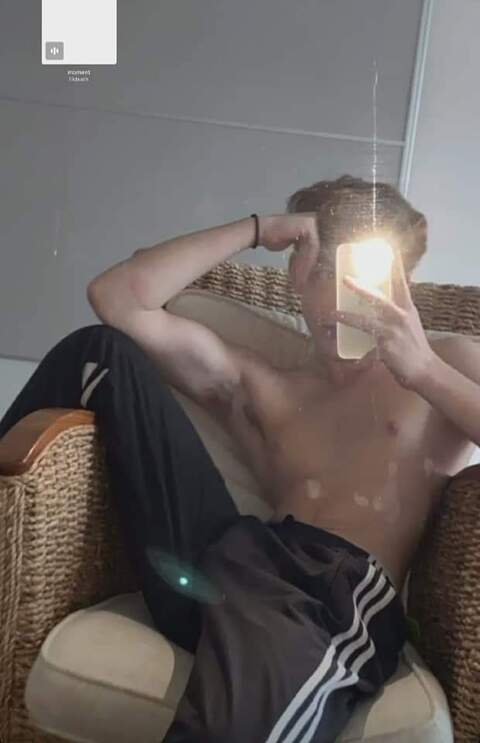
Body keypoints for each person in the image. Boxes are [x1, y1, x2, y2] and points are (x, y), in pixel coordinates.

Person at [2, 175, 480, 743]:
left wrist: (423, 370)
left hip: (331, 592)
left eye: (358, 273)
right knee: (97, 350)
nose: (338, 296)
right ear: (297, 275)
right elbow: (115, 298)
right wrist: (258, 230)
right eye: (324, 269)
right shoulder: (264, 386)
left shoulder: (444, 363)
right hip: (223, 564)